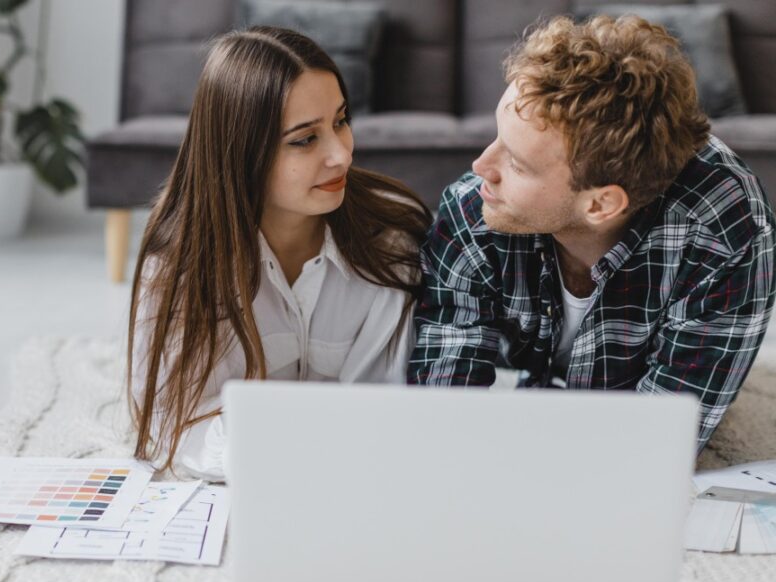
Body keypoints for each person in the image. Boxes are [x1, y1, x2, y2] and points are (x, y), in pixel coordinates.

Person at [409, 14, 775, 451]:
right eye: (498, 135)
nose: (481, 167)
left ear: (601, 204)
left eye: (518, 164)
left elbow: (659, 442)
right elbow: (443, 412)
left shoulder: (727, 231)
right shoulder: (473, 209)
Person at [128, 26, 431, 481]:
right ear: (241, 153)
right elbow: (175, 427)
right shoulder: (179, 265)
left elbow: (383, 407)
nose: (341, 155)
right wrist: (285, 456)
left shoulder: (390, 242)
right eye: (304, 139)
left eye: (341, 121)